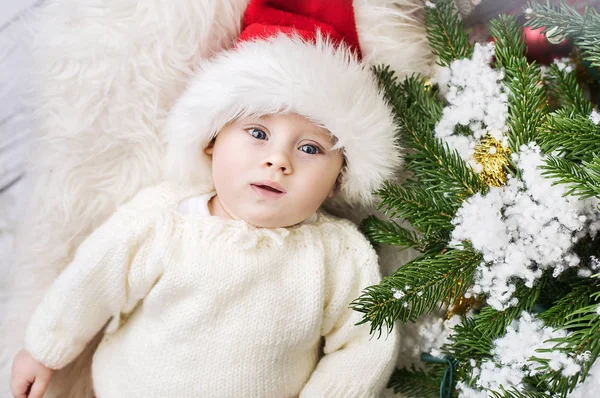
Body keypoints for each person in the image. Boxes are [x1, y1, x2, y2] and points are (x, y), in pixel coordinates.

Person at [10, 1, 403, 397]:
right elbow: (92, 280)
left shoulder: (339, 257)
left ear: (339, 178)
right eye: (258, 133)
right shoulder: (165, 219)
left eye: (310, 149)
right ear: (213, 138)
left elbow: (364, 344)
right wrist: (45, 351)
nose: (278, 161)